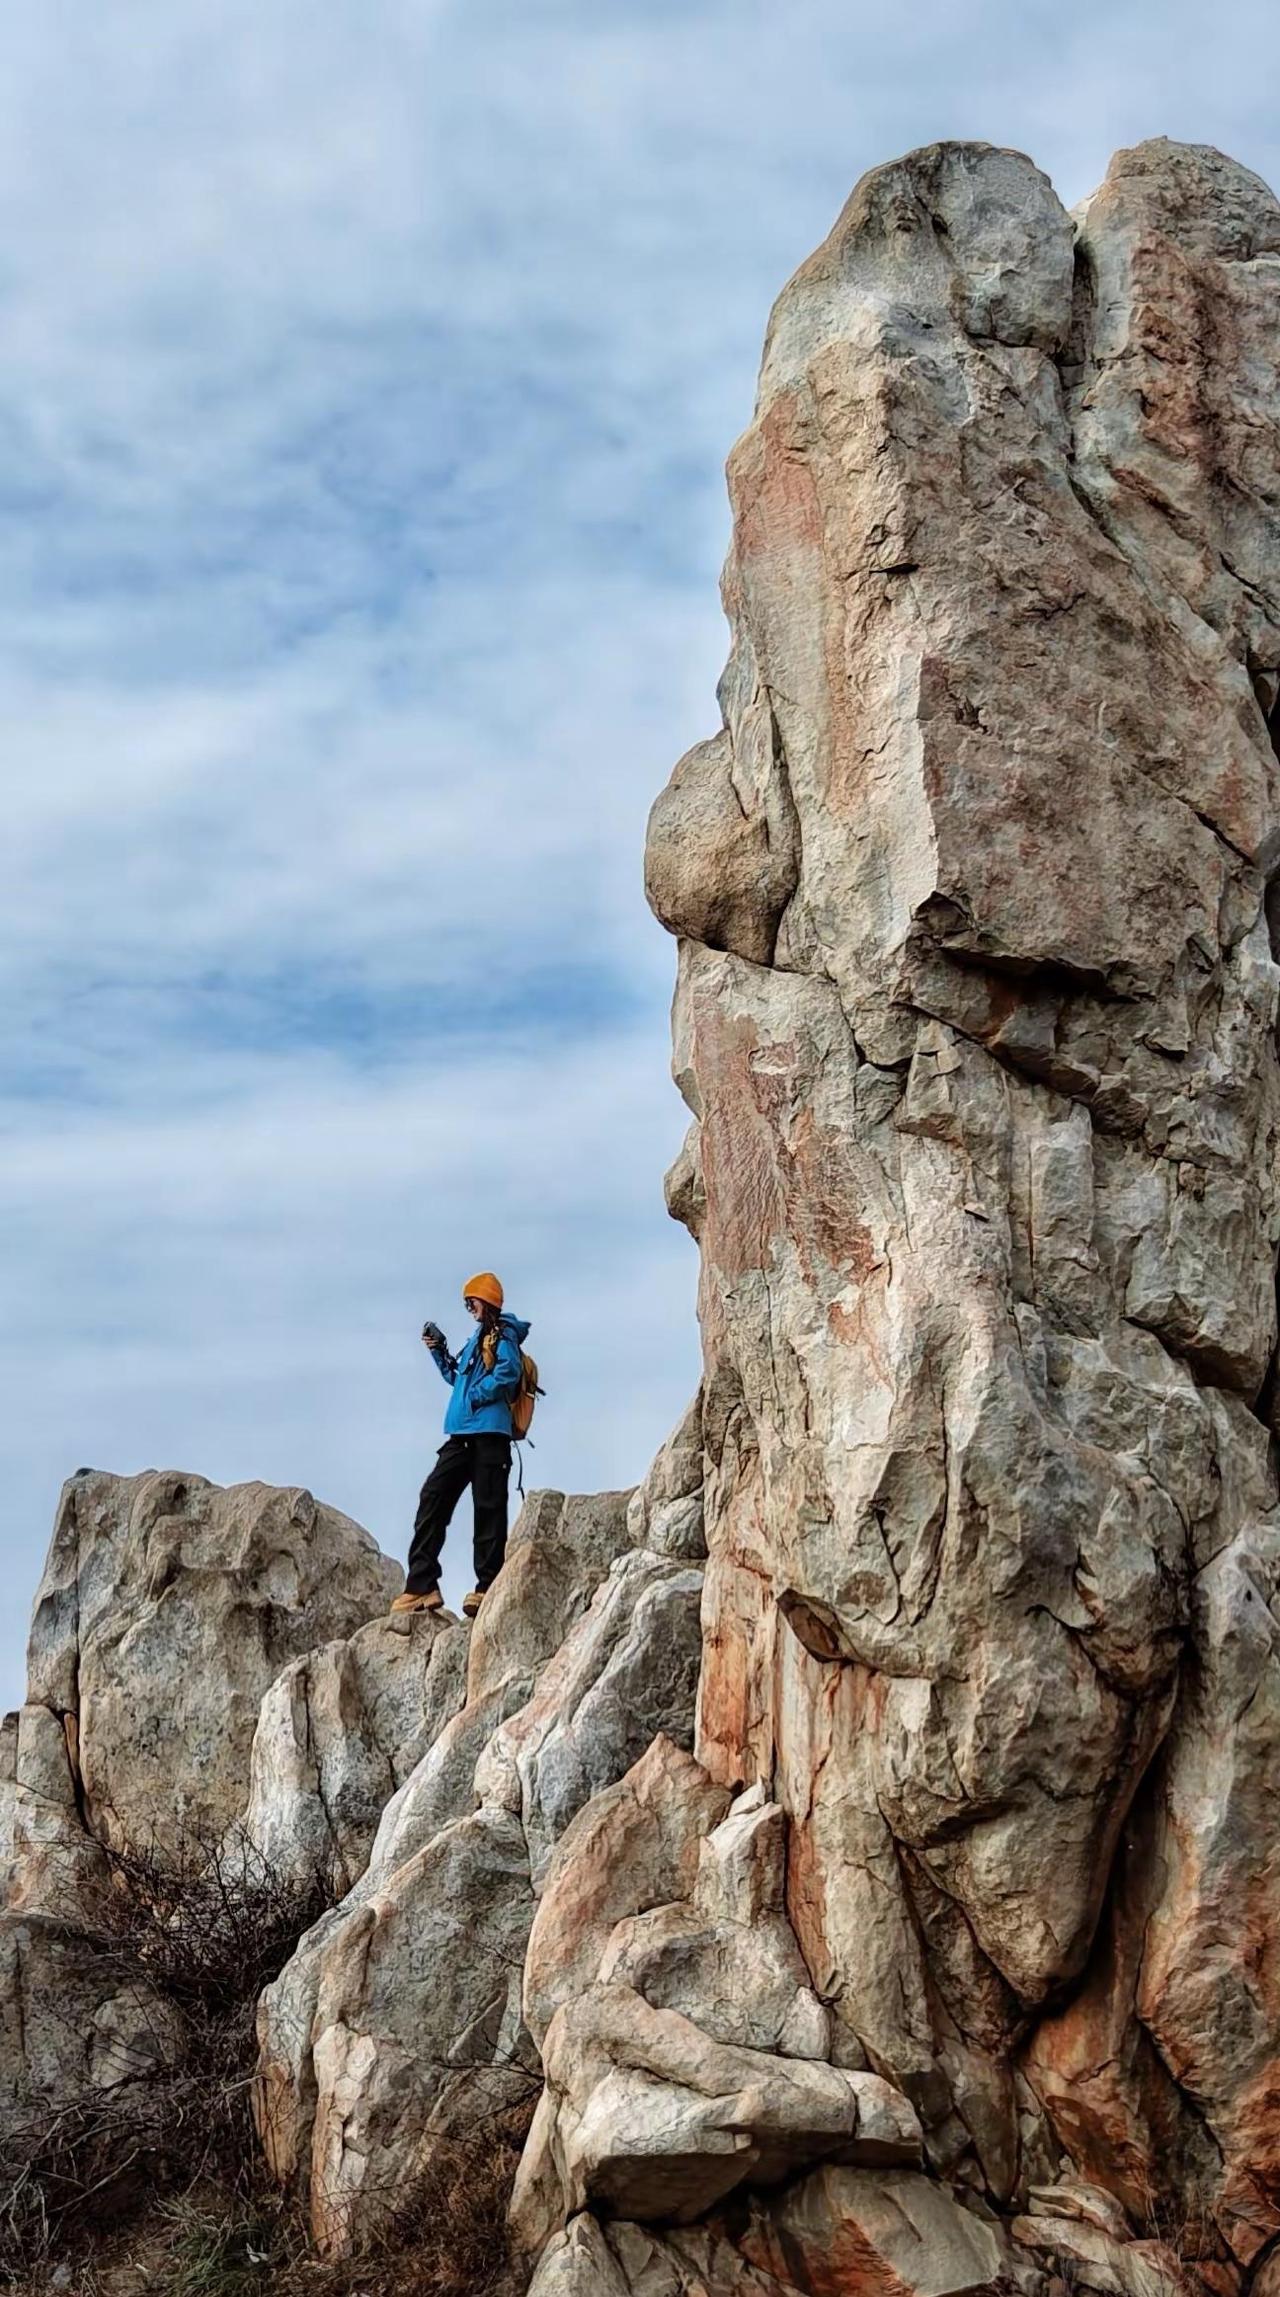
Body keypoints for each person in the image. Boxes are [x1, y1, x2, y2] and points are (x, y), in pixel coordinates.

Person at [390, 1271, 529, 1621]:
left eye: (472, 1302)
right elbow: (458, 1379)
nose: (469, 1308)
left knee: (488, 1509)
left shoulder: (504, 1334)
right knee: (433, 1497)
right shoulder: (476, 1340)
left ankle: (487, 1587)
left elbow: (508, 1373)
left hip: (490, 1436)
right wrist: (439, 1351)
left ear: (487, 1300)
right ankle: (422, 1585)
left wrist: (478, 1398)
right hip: (462, 1435)